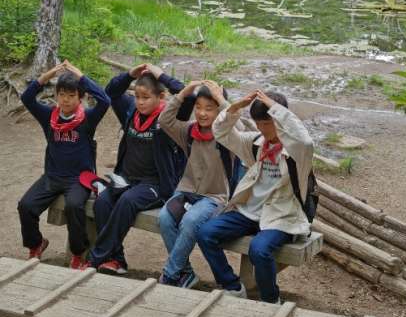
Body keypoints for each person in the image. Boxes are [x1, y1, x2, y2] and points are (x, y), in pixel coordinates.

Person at [196, 89, 314, 304]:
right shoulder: (255, 143)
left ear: (279, 120)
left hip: (281, 216)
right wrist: (235, 108)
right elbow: (221, 132)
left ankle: (270, 301)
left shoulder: (297, 152)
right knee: (205, 233)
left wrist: (276, 108)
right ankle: (232, 286)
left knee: (259, 250)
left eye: (267, 123)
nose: (262, 128)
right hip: (249, 211)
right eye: (258, 123)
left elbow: (305, 141)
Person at [82, 63, 193, 275]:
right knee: (102, 202)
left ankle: (97, 258)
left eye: (146, 97)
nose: (140, 102)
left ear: (161, 96)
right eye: (137, 96)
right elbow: (111, 91)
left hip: (155, 184)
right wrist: (131, 74)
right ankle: (117, 260)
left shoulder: (169, 118)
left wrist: (161, 75)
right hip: (126, 179)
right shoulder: (130, 110)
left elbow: (188, 95)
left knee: (126, 201)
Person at [18, 60, 110, 270]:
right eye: (61, 95)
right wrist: (48, 75)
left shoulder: (88, 118)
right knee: (26, 206)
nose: (66, 100)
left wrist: (80, 75)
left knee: (74, 206)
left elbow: (105, 100)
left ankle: (79, 253)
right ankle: (36, 243)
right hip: (52, 177)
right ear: (56, 95)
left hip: (79, 179)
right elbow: (27, 98)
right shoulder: (48, 116)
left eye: (71, 95)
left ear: (80, 97)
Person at [158, 79, 236, 289]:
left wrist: (221, 99)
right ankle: (186, 273)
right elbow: (164, 120)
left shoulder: (228, 135)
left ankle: (170, 274)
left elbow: (238, 122)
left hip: (215, 197)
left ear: (219, 111)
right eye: (198, 107)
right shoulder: (188, 131)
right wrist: (183, 93)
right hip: (187, 191)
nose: (202, 113)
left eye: (209, 108)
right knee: (164, 218)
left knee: (190, 221)